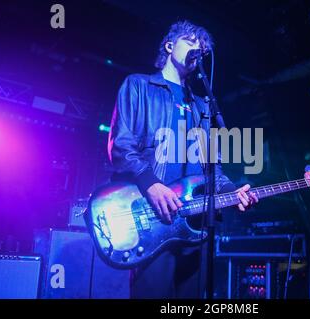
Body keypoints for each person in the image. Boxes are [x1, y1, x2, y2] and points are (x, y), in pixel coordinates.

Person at [108, 20, 258, 298]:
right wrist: (150, 183)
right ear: (169, 45)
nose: (197, 48)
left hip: (196, 226)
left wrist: (232, 192)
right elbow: (121, 145)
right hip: (156, 219)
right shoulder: (139, 86)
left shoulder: (203, 107)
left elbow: (214, 170)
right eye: (190, 41)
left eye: (201, 47)